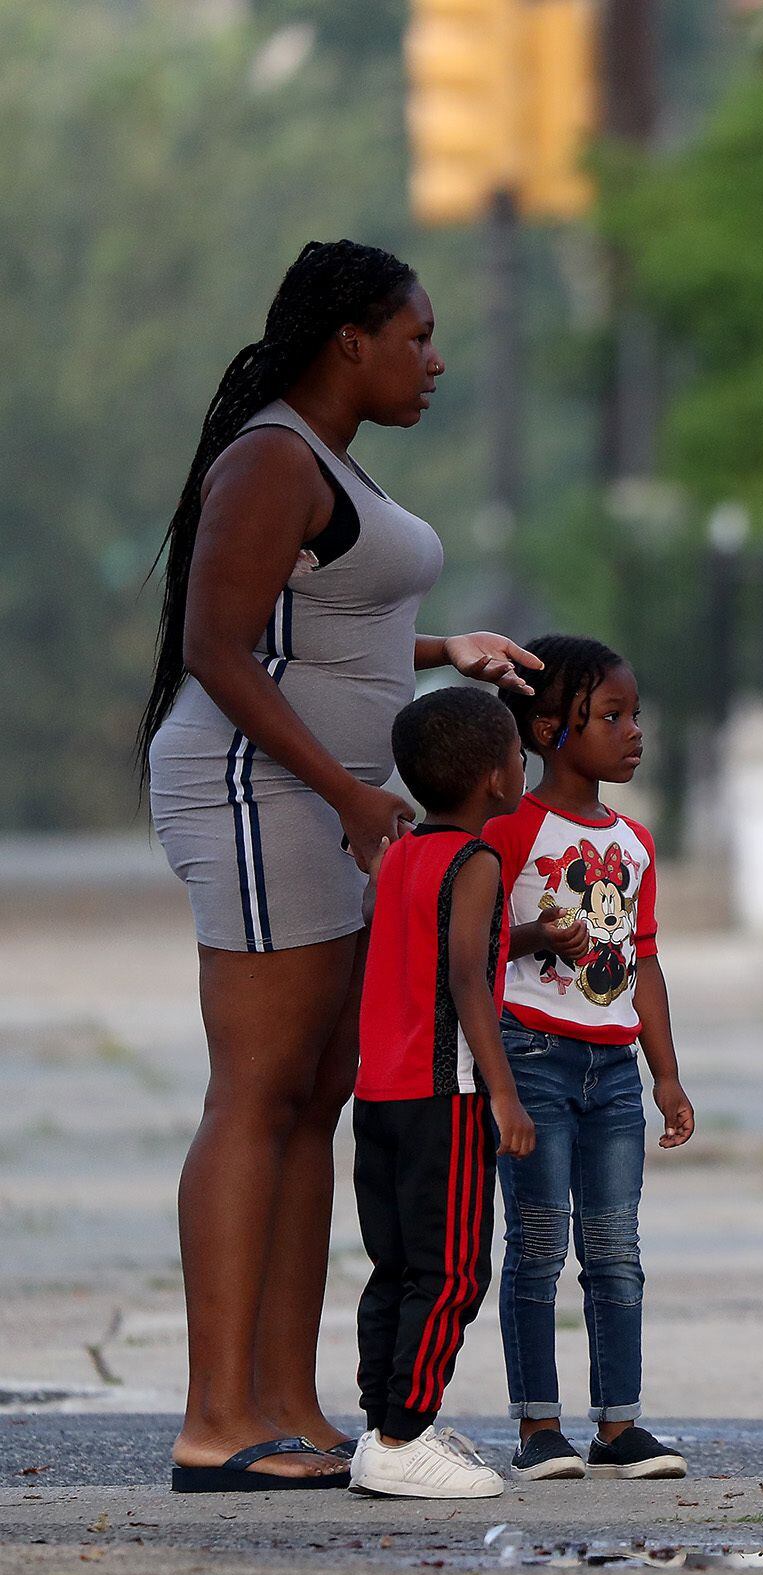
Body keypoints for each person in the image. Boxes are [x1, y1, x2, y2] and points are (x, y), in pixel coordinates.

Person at [143, 241, 539, 1492]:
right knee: (256, 1091)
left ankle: (286, 1401)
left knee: (316, 1092)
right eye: (416, 336)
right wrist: (349, 789)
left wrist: (441, 644)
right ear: (348, 340)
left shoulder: (322, 462)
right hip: (260, 790)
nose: (435, 360)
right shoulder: (268, 455)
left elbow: (310, 618)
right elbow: (216, 644)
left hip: (325, 794)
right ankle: (216, 1416)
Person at [487, 636, 696, 1482]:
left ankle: (619, 1424)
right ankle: (539, 1425)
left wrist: (666, 1073)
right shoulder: (513, 831)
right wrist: (539, 934)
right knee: (536, 1245)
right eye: (610, 716)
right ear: (548, 730)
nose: (632, 731)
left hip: (611, 1073)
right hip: (532, 1057)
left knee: (615, 1248)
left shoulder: (637, 844)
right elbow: (474, 938)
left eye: (634, 714)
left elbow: (642, 960)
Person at [346, 688, 533, 1500]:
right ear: (495, 778)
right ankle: (402, 1435)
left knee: (396, 1267)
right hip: (443, 1093)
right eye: (519, 755)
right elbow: (464, 975)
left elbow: (417, 941)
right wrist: (505, 1094)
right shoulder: (478, 861)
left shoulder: (400, 857)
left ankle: (381, 1423)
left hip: (380, 1092)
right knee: (454, 1271)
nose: (524, 765)